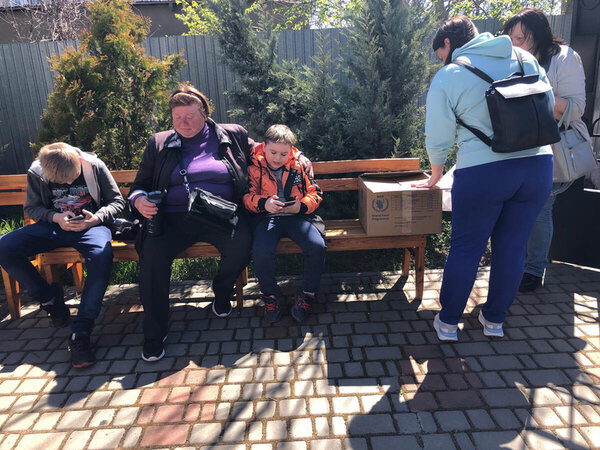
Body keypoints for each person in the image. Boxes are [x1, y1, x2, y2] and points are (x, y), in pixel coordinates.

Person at [418, 16, 554, 341]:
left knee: (466, 248)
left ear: (448, 44)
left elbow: (438, 135)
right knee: (512, 247)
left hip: (483, 171)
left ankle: (448, 323)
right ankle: (494, 321)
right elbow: (547, 107)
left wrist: (436, 172)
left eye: (441, 54)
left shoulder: (451, 73)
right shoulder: (527, 59)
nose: (443, 60)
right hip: (537, 166)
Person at [0, 143, 125, 367]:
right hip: (54, 226)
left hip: (92, 226)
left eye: (72, 178)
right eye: (62, 182)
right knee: (5, 247)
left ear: (78, 162)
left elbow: (117, 202)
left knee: (101, 256)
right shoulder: (37, 173)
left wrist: (96, 218)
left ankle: (81, 332)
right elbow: (33, 208)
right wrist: (56, 218)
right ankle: (49, 298)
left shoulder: (94, 166)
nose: (68, 183)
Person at [502, 8, 591, 293]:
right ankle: (516, 264)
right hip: (518, 146)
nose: (514, 43)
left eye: (520, 38)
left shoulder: (564, 58)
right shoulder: (511, 59)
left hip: (553, 148)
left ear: (538, 36)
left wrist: (538, 93)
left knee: (540, 209)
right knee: (515, 210)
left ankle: (533, 269)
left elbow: (577, 108)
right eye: (511, 37)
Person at [243, 125, 326, 323]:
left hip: (297, 217)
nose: (278, 158)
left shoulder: (298, 165)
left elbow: (315, 193)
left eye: (283, 153)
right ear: (264, 147)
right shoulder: (253, 167)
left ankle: (307, 294)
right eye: (273, 152)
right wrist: (265, 204)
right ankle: (270, 296)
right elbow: (246, 197)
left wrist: (302, 207)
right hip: (267, 218)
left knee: (317, 247)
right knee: (261, 250)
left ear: (291, 152)